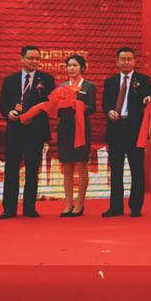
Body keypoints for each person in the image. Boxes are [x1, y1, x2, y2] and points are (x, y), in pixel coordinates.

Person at [0, 46, 55, 219]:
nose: (34, 61)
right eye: (31, 58)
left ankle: (29, 208)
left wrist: (33, 114)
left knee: (32, 170)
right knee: (11, 170)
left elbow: (50, 103)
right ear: (22, 59)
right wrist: (9, 112)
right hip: (15, 130)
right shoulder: (10, 80)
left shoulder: (47, 79)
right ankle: (9, 208)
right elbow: (3, 103)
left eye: (37, 58)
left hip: (35, 130)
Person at [102, 47, 151, 218]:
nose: (126, 62)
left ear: (134, 61)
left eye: (129, 59)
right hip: (115, 129)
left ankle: (135, 206)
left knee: (137, 170)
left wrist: (147, 100)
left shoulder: (143, 80)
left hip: (135, 131)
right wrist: (109, 111)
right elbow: (105, 103)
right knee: (116, 171)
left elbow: (148, 99)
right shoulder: (110, 82)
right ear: (117, 62)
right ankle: (115, 207)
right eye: (123, 59)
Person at [58, 54, 96, 217]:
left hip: (81, 129)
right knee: (67, 166)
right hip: (65, 129)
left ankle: (79, 204)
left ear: (82, 68)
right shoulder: (62, 86)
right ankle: (68, 203)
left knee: (81, 164)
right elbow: (57, 110)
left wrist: (79, 106)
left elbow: (93, 108)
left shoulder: (88, 86)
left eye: (74, 65)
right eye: (69, 65)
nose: (71, 68)